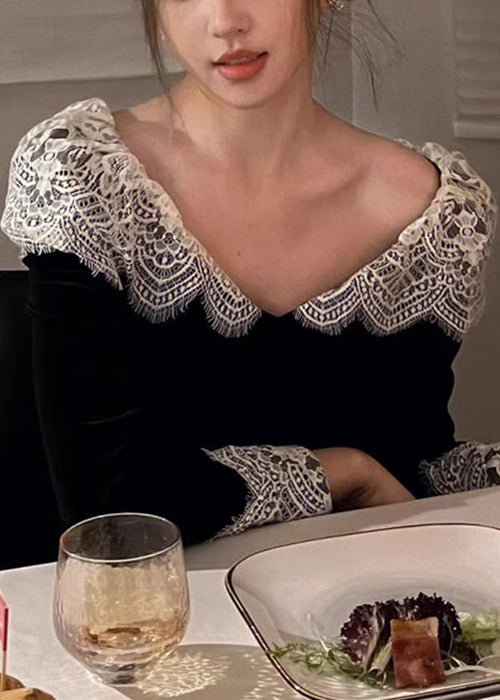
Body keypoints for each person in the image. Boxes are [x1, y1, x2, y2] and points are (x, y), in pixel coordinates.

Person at [1, 0, 498, 545]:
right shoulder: (84, 176)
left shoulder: (432, 209)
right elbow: (109, 508)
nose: (225, 22)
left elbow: (414, 461)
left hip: (357, 587)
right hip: (151, 598)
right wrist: (346, 471)